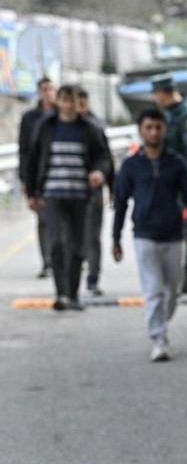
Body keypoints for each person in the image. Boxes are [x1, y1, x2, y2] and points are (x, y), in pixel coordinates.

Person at [112, 108, 187, 362]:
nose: (153, 132)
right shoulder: (131, 166)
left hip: (173, 235)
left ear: (165, 130)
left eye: (158, 127)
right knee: (153, 291)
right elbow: (120, 203)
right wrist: (115, 238)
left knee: (173, 292)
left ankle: (161, 322)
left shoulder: (176, 163)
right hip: (144, 236)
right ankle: (159, 338)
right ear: (140, 130)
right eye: (148, 127)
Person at [23, 85, 112, 311]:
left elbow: (104, 156)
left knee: (77, 245)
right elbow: (32, 159)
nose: (68, 104)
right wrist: (33, 191)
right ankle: (60, 293)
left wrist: (99, 173)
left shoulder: (89, 128)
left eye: (72, 100)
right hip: (53, 194)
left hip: (80, 195)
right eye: (64, 99)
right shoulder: (46, 126)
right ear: (58, 102)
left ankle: (73, 294)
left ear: (78, 102)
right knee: (56, 242)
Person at [151, 75, 187, 294]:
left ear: (164, 92)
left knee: (186, 225)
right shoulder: (165, 114)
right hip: (164, 180)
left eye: (157, 94)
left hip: (182, 179)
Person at [18, 77, 57, 278]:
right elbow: (24, 151)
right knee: (44, 221)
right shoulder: (30, 118)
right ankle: (47, 262)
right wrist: (25, 180)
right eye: (44, 89)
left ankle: (69, 259)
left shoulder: (65, 115)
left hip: (61, 174)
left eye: (51, 89)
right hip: (39, 176)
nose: (48, 93)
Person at [77, 87, 114, 297]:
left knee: (93, 237)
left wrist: (110, 185)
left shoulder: (95, 127)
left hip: (92, 192)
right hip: (68, 192)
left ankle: (93, 278)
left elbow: (105, 157)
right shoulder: (58, 126)